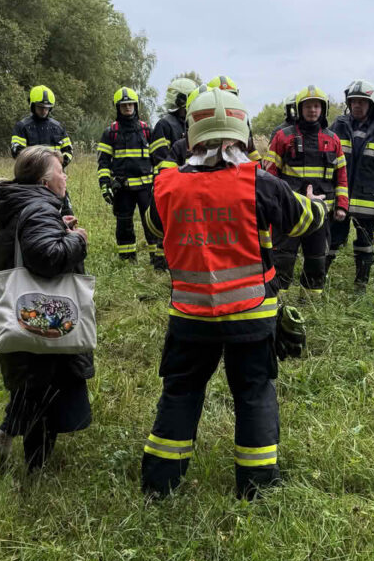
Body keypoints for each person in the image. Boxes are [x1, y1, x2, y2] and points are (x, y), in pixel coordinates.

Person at [140, 88, 327, 500]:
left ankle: (159, 484)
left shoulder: (168, 184)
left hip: (189, 318)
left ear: (192, 136)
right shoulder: (260, 183)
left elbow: (155, 228)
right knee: (254, 394)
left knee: (181, 393)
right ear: (241, 136)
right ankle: (257, 488)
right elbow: (305, 222)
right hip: (251, 316)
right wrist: (318, 204)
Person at [0, 146, 92, 469]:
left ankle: (5, 440)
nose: (66, 177)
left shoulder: (22, 204)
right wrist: (78, 239)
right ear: (45, 182)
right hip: (41, 313)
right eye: (61, 171)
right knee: (45, 385)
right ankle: (35, 471)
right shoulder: (40, 209)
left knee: (34, 381)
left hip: (20, 308)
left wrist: (61, 228)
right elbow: (46, 257)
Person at [261, 85, 349, 296]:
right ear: (299, 109)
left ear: (323, 109)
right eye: (308, 106)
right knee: (282, 257)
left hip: (320, 212)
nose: (312, 110)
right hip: (289, 211)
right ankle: (277, 301)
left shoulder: (333, 140)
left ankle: (310, 303)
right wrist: (272, 205)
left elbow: (342, 176)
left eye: (317, 106)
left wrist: (342, 206)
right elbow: (270, 174)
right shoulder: (283, 137)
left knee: (317, 259)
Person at [327, 80, 374, 288]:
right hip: (339, 198)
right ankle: (318, 279)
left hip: (367, 199)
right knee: (331, 241)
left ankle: (361, 283)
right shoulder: (338, 126)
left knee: (365, 244)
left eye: (362, 102)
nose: (357, 105)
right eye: (353, 102)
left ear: (371, 105)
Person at [147, 77, 200, 270]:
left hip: (190, 183)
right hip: (171, 181)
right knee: (167, 223)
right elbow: (161, 158)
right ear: (181, 100)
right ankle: (161, 264)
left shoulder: (189, 123)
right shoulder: (165, 124)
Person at [97, 86, 154, 261]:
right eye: (124, 105)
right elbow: (103, 162)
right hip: (123, 187)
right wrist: (105, 185)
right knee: (124, 223)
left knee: (151, 223)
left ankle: (157, 257)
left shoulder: (146, 130)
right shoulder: (110, 132)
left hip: (146, 187)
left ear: (135, 106)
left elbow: (157, 158)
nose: (128, 108)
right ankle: (127, 258)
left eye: (130, 104)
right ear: (118, 108)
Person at [10, 85, 74, 215]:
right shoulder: (23, 126)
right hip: (31, 182)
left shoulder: (57, 127)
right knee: (32, 214)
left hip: (55, 179)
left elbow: (68, 150)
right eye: (40, 107)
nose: (44, 110)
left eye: (47, 107)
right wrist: (38, 167)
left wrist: (58, 165)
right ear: (32, 105)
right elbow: (17, 151)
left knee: (66, 214)